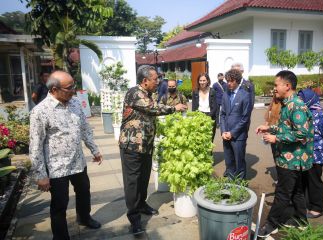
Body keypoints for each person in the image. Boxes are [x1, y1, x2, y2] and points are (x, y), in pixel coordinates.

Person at [29, 70, 103, 240]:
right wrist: (40, 175)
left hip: (78, 162)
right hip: (56, 168)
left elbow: (85, 128)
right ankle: (61, 236)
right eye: (70, 87)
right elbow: (35, 145)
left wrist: (94, 150)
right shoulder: (40, 112)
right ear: (54, 89)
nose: (74, 90)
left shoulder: (76, 104)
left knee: (84, 192)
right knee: (59, 204)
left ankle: (84, 218)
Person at [119, 65, 187, 235]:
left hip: (146, 145)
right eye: (155, 79)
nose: (158, 81)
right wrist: (174, 108)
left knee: (143, 178)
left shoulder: (149, 93)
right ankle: (134, 218)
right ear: (145, 81)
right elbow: (153, 109)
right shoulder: (135, 93)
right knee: (133, 182)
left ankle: (142, 204)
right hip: (132, 146)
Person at [256, 70, 314, 238]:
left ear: (287, 86)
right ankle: (302, 222)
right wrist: (269, 127)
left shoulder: (295, 105)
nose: (274, 88)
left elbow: (301, 133)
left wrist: (276, 137)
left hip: (291, 159)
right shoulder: (288, 103)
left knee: (282, 193)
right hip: (291, 159)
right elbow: (287, 127)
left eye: (276, 85)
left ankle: (271, 225)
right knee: (296, 191)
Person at [298, 88, 323, 219]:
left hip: (315, 156)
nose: (300, 101)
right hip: (303, 155)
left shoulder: (322, 116)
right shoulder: (303, 114)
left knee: (314, 182)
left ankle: (317, 208)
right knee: (302, 180)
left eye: (302, 99)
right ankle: (301, 204)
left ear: (309, 100)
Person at [220, 69, 253, 180]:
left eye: (231, 81)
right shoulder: (225, 94)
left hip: (238, 136)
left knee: (239, 160)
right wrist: (223, 131)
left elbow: (245, 118)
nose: (228, 83)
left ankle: (240, 183)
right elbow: (223, 114)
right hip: (226, 134)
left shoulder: (245, 95)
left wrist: (232, 133)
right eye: (227, 81)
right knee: (229, 160)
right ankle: (230, 180)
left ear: (237, 81)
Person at [192, 73, 217, 141]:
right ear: (198, 81)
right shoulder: (195, 92)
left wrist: (207, 118)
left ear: (208, 81)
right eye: (200, 80)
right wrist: (197, 117)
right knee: (199, 140)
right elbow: (194, 108)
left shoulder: (212, 91)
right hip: (198, 118)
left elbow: (215, 107)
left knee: (209, 140)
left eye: (204, 80)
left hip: (210, 118)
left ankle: (210, 152)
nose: (202, 82)